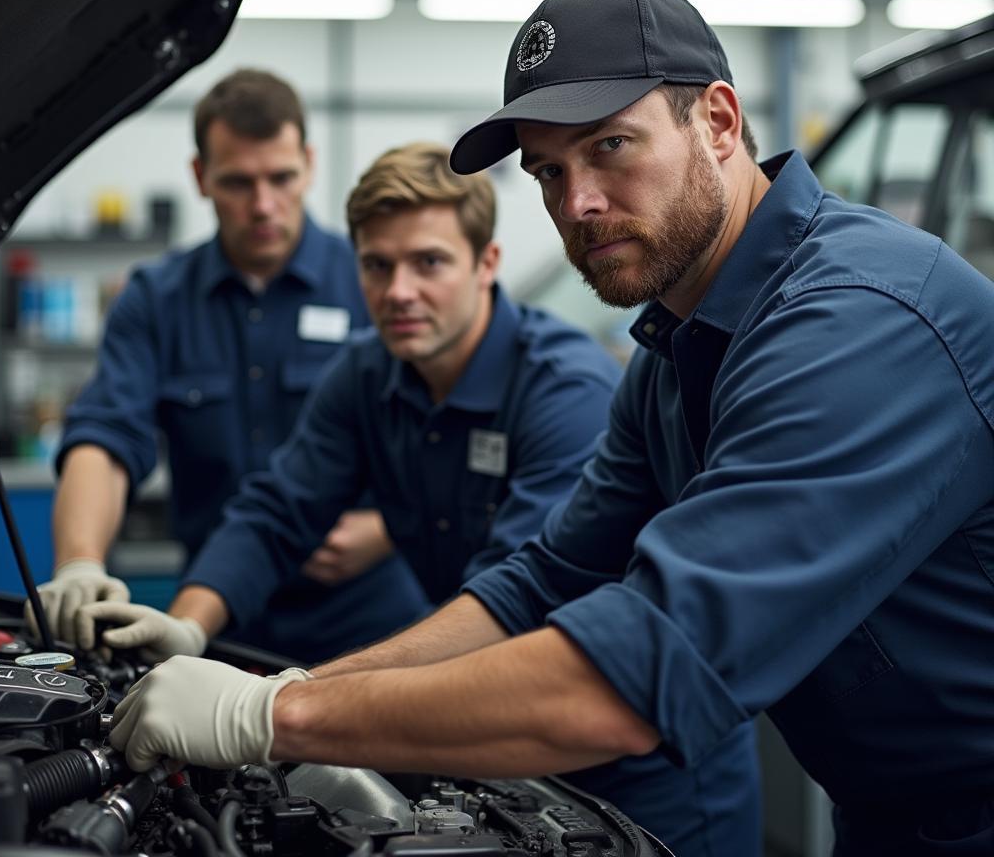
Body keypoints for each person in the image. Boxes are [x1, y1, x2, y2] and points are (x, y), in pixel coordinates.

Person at [109, 0, 994, 853]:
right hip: (887, 821)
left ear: (718, 123)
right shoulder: (676, 351)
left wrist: (273, 714)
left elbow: (630, 677)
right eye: (549, 171)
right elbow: (540, 585)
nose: (577, 205)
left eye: (611, 145)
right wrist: (302, 685)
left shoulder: (860, 321)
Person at [86, 141, 760, 853]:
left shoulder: (565, 391)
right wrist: (189, 628)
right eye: (378, 266)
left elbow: (519, 599)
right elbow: (277, 513)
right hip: (502, 763)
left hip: (647, 782)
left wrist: (276, 705)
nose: (399, 290)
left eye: (429, 263)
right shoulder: (366, 378)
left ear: (486, 265)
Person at [30, 68, 429, 663]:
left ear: (310, 165)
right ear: (200, 178)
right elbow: (107, 434)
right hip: (219, 621)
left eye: (281, 178)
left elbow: (440, 428)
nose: (264, 205)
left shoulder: (376, 283)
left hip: (370, 623)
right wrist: (81, 561)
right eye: (239, 182)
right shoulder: (156, 300)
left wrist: (390, 527)